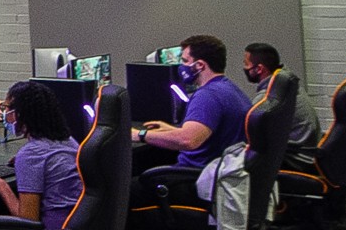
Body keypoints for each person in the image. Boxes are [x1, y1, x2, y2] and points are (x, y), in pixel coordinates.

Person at [0, 81, 81, 226]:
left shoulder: (31, 155)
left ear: (20, 114)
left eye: (7, 108)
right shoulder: (69, 141)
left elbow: (28, 220)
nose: (5, 114)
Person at [132, 35, 249, 170]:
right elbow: (209, 134)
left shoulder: (207, 96)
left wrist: (139, 135)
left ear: (199, 65)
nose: (181, 67)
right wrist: (173, 131)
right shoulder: (228, 88)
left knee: (134, 183)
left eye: (185, 61)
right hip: (219, 170)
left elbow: (188, 141)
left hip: (196, 176)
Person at [242, 42, 322, 170]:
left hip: (296, 159)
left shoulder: (268, 99)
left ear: (259, 69)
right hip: (308, 154)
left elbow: (252, 138)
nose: (244, 68)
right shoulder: (288, 84)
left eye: (246, 64)